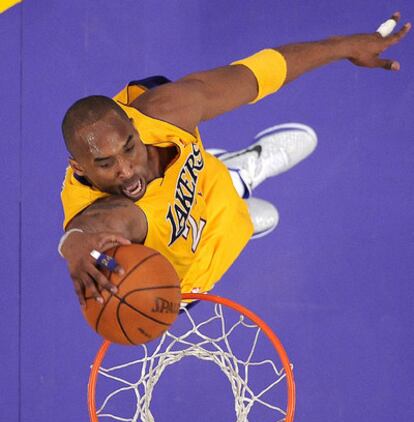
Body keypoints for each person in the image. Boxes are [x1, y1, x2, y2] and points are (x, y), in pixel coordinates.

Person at [59, 13, 410, 307]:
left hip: (204, 188)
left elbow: (258, 74)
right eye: (105, 164)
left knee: (219, 189)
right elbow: (90, 229)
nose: (125, 169)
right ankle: (234, 215)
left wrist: (346, 46)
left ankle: (236, 176)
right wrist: (74, 244)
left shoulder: (165, 113)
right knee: (224, 238)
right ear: (80, 168)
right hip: (181, 273)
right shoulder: (110, 211)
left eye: (129, 148)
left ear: (134, 125)